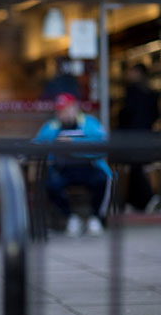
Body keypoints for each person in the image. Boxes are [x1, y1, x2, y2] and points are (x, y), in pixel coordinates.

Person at [34, 93, 113, 237]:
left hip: (89, 167)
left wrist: (73, 144)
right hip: (62, 169)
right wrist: (56, 144)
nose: (62, 113)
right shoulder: (51, 126)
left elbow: (102, 145)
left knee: (103, 179)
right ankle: (71, 218)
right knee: (50, 183)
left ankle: (96, 218)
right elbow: (37, 146)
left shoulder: (89, 123)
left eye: (65, 109)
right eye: (59, 110)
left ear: (74, 108)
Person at [118, 63, 161, 212]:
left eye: (132, 71)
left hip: (133, 136)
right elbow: (156, 115)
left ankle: (150, 199)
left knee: (136, 167)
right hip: (146, 135)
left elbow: (125, 114)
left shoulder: (132, 91)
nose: (128, 74)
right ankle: (135, 202)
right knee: (135, 167)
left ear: (138, 73)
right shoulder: (152, 93)